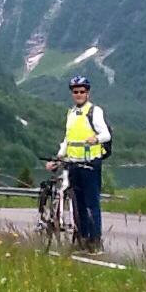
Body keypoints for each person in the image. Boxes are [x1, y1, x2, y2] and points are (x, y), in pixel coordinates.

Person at [45, 75, 110, 254]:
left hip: (90, 165)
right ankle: (82, 239)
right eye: (75, 92)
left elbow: (106, 135)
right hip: (73, 164)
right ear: (72, 94)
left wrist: (96, 139)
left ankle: (95, 241)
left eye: (82, 91)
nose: (79, 94)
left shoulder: (94, 111)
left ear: (87, 93)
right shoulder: (71, 113)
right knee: (78, 205)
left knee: (91, 204)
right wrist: (58, 158)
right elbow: (68, 140)